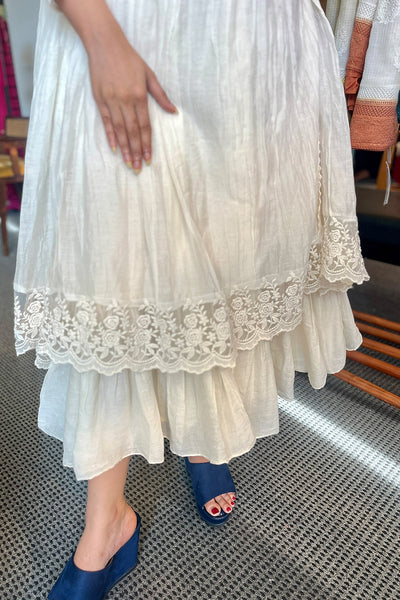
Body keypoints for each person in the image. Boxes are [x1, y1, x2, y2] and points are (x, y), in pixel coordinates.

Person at [13, 0, 369, 598]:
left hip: (253, 39)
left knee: (226, 248)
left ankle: (203, 433)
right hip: (128, 22)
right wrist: (100, 35)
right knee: (115, 270)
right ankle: (106, 522)